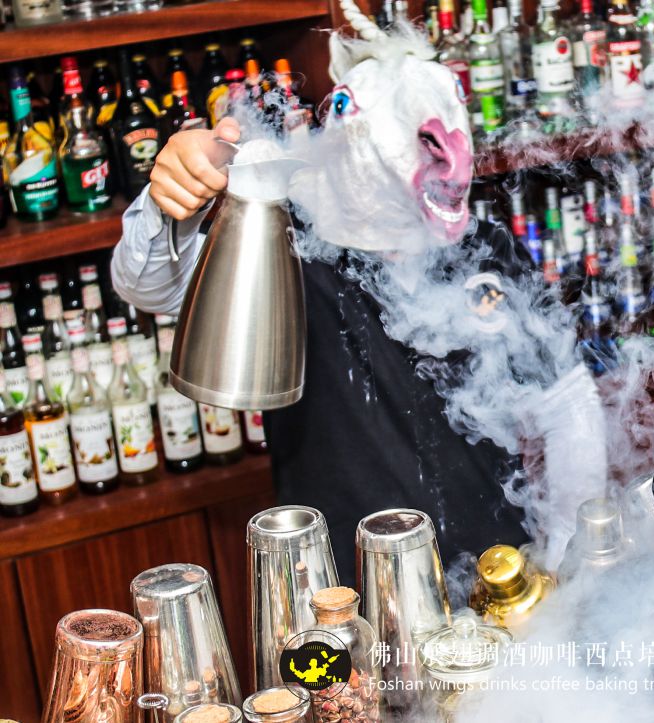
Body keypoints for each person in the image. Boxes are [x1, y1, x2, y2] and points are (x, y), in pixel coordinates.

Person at [112, 113, 530, 583]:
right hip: (345, 588)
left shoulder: (486, 248)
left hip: (500, 571)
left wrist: (566, 550)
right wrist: (175, 200)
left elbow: (565, 406)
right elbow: (149, 287)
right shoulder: (294, 247)